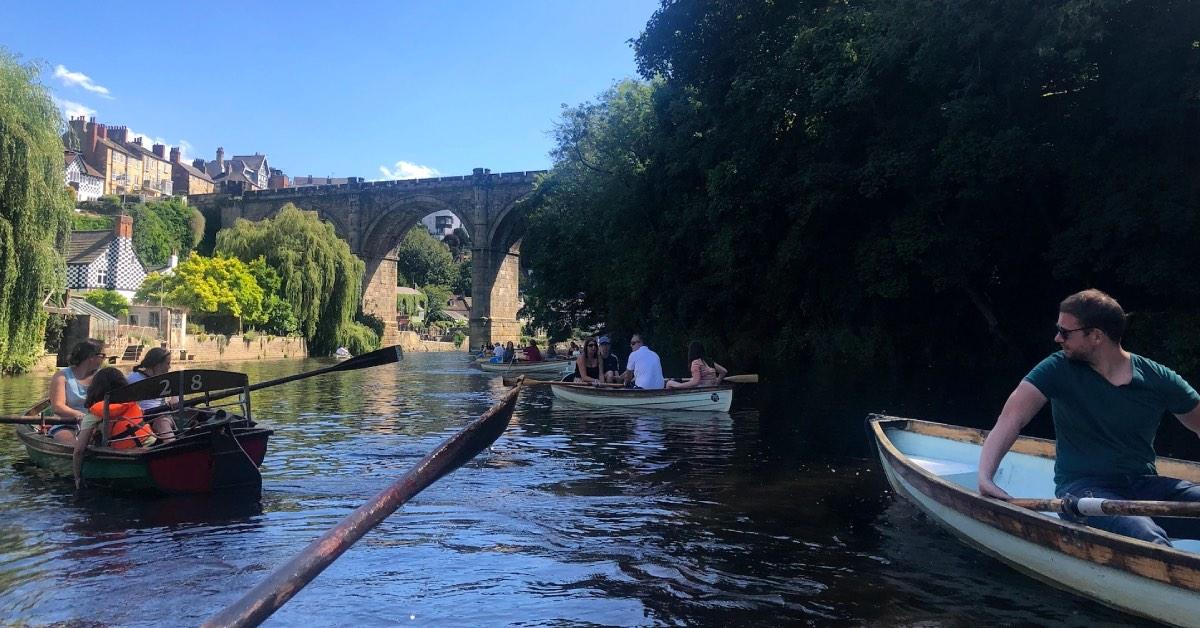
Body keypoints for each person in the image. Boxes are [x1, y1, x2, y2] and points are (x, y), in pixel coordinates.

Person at [977, 289, 1200, 546]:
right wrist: (985, 477)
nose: (1057, 338)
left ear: (1096, 336)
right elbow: (1011, 420)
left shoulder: (1156, 378)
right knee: (1144, 534)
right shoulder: (1056, 369)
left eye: (1065, 332)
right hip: (1083, 491)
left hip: (1144, 486)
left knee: (1147, 520)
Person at [73, 367, 159, 488]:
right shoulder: (132, 402)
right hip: (153, 443)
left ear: (95, 388)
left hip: (126, 454)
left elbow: (79, 450)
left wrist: (77, 478)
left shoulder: (94, 414)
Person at [46, 339, 106, 444]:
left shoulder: (103, 376)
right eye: (103, 355)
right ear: (91, 357)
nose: (104, 359)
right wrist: (80, 416)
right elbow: (58, 407)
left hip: (98, 423)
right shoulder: (61, 376)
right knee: (68, 440)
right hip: (67, 423)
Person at [125, 347, 178, 443]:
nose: (169, 367)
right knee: (161, 421)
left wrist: (175, 398)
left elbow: (176, 391)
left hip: (162, 413)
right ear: (157, 364)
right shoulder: (132, 379)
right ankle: (173, 448)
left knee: (162, 419)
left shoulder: (165, 378)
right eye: (167, 363)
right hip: (143, 417)